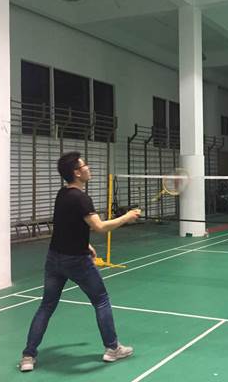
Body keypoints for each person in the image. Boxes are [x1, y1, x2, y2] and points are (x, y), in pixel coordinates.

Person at [19, 152, 141, 372]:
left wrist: (86, 244)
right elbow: (99, 227)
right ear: (76, 172)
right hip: (76, 261)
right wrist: (127, 217)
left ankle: (28, 356)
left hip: (54, 258)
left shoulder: (62, 194)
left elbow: (67, 224)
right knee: (101, 300)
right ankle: (113, 348)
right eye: (85, 166)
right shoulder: (82, 198)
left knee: (46, 305)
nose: (88, 168)